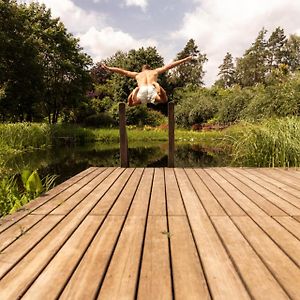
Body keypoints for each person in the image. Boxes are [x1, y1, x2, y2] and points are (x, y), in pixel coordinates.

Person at [102, 56, 192, 106]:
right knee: (164, 100)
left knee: (131, 104)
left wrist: (108, 68)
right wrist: (185, 59)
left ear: (142, 69)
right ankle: (157, 86)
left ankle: (133, 93)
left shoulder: (138, 74)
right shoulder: (155, 71)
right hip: (152, 89)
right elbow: (169, 66)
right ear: (150, 68)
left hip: (141, 90)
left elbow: (122, 71)